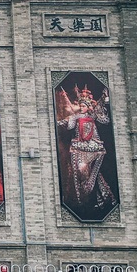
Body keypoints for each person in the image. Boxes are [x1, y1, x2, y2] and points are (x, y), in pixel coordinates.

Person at [57, 85, 116, 215]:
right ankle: (85, 199)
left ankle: (96, 197)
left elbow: (105, 119)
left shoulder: (93, 115)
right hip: (78, 149)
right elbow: (68, 125)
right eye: (80, 105)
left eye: (84, 105)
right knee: (80, 173)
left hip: (95, 148)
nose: (81, 107)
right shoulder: (76, 117)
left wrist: (104, 99)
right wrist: (61, 122)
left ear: (88, 106)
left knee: (92, 175)